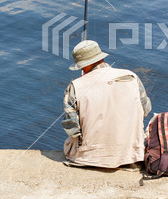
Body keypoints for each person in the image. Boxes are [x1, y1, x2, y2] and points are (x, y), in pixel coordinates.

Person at [62, 40, 151, 168]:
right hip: (131, 155)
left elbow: (72, 129)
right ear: (101, 58)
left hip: (89, 158)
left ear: (85, 65)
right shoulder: (131, 76)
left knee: (69, 143)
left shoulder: (75, 86)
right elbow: (145, 110)